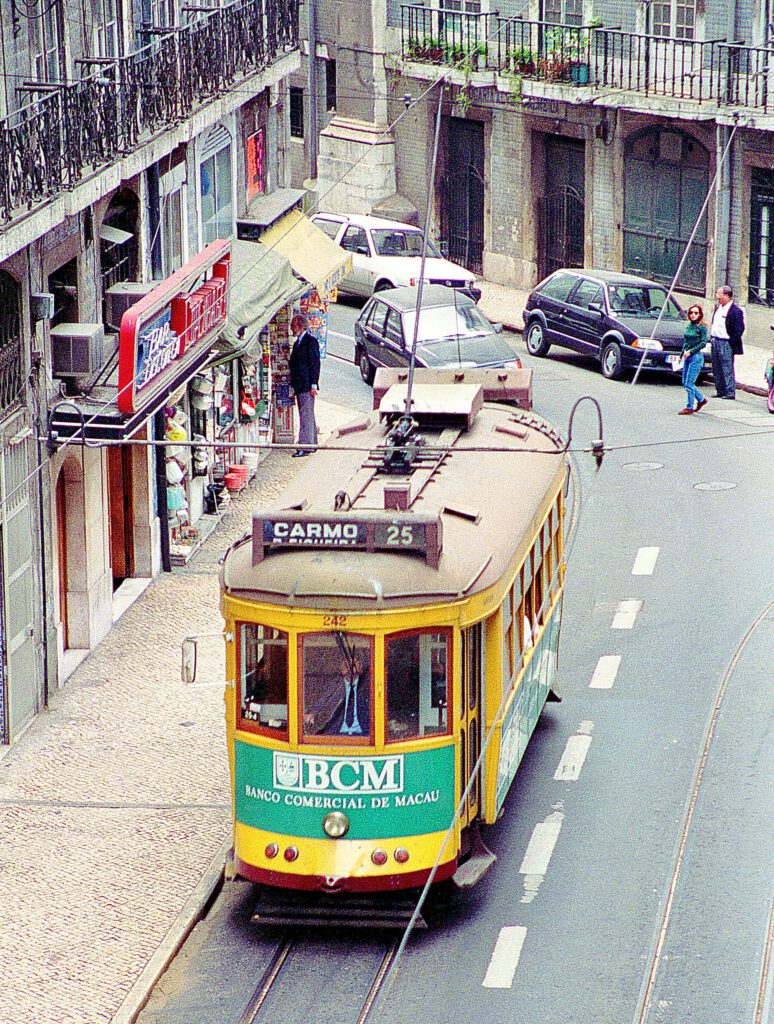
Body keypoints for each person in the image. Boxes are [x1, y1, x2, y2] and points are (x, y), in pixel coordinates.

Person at [305, 653, 371, 737]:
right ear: (341, 667)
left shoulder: (367, 686)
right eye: (345, 662)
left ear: (360, 666)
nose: (349, 665)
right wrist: (312, 713)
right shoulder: (334, 687)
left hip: (363, 735)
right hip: (336, 734)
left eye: (354, 662)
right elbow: (321, 702)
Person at [289, 313, 320, 456]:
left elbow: (314, 364)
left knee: (305, 414)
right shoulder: (297, 343)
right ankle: (312, 443)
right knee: (307, 414)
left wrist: (314, 384)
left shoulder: (310, 341)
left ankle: (305, 446)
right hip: (300, 384)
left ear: (300, 326)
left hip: (307, 384)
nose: (291, 329)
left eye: (293, 326)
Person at [710, 286, 745, 400]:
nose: (717, 297)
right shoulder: (718, 308)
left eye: (719, 294)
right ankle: (720, 390)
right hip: (715, 340)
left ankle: (730, 392)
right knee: (716, 367)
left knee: (726, 367)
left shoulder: (735, 311)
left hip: (725, 342)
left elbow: (739, 329)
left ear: (727, 296)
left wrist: (731, 341)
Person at [678, 304, 709, 415]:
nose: (693, 315)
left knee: (689, 383)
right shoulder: (689, 326)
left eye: (696, 313)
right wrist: (681, 354)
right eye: (691, 313)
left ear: (700, 314)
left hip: (696, 357)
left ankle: (689, 407)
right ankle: (701, 399)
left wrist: (691, 351)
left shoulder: (701, 327)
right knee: (685, 382)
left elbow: (703, 343)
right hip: (687, 356)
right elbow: (686, 342)